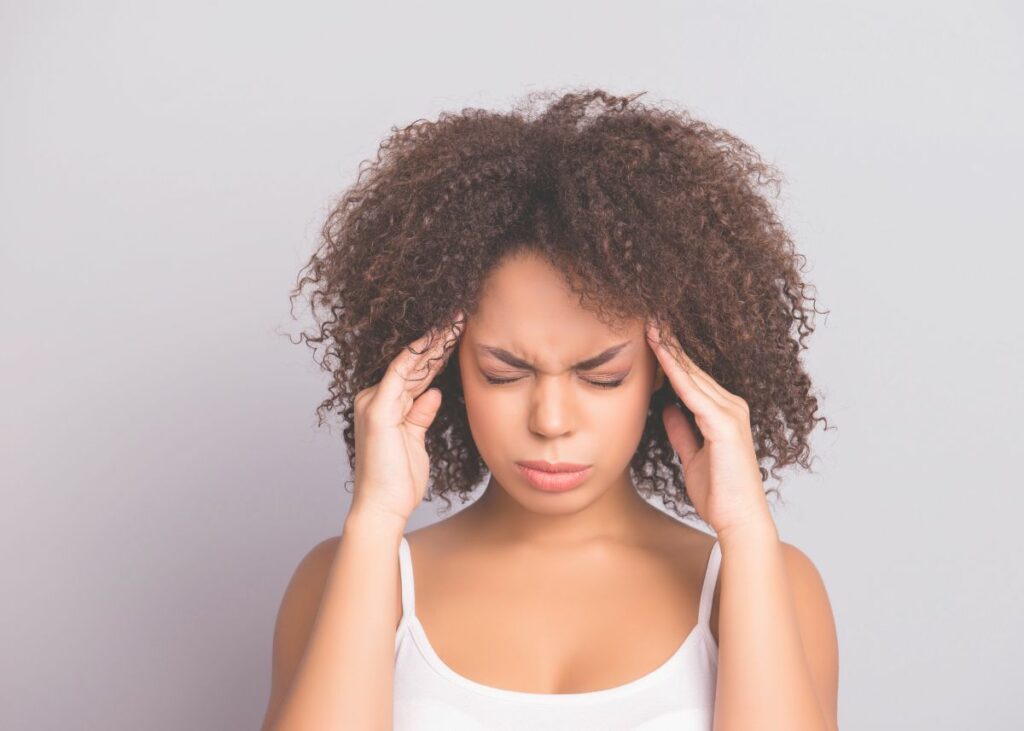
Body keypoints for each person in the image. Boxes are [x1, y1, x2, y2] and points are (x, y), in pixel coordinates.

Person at [261, 89, 840, 730]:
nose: (551, 421)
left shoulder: (770, 582)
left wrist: (746, 530)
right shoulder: (343, 576)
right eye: (504, 374)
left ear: (666, 370)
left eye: (602, 377)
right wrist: (374, 522)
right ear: (448, 367)